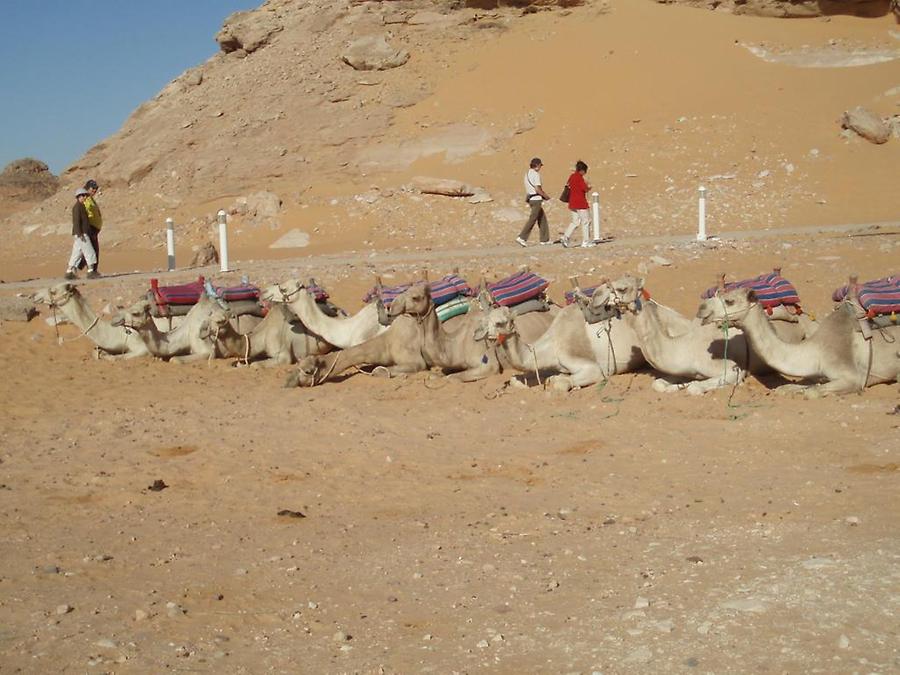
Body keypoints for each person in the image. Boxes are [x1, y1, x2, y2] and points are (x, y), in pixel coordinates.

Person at [516, 157, 552, 247]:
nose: (540, 168)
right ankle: (522, 237)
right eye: (540, 166)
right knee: (533, 219)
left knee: (542, 218)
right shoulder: (536, 174)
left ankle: (544, 239)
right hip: (536, 199)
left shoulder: (527, 174)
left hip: (531, 199)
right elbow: (537, 189)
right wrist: (546, 196)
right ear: (537, 165)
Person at [65, 189, 99, 280]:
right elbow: (76, 221)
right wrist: (80, 233)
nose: (85, 197)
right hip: (81, 233)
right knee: (90, 252)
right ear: (79, 196)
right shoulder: (77, 207)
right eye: (83, 196)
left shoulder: (81, 206)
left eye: (85, 196)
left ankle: (69, 272)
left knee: (77, 253)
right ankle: (91, 272)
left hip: (80, 233)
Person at [561, 160, 594, 248]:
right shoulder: (579, 178)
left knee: (575, 222)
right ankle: (586, 242)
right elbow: (585, 189)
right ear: (582, 170)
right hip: (580, 203)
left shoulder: (572, 176)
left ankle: (565, 237)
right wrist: (589, 187)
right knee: (586, 221)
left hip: (572, 202)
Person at [76, 179, 102, 271]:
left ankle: (78, 266)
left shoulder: (90, 198)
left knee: (88, 250)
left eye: (96, 188)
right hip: (90, 228)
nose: (94, 190)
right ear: (87, 188)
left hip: (93, 228)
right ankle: (91, 270)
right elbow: (84, 212)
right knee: (93, 250)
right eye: (93, 188)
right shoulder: (86, 199)